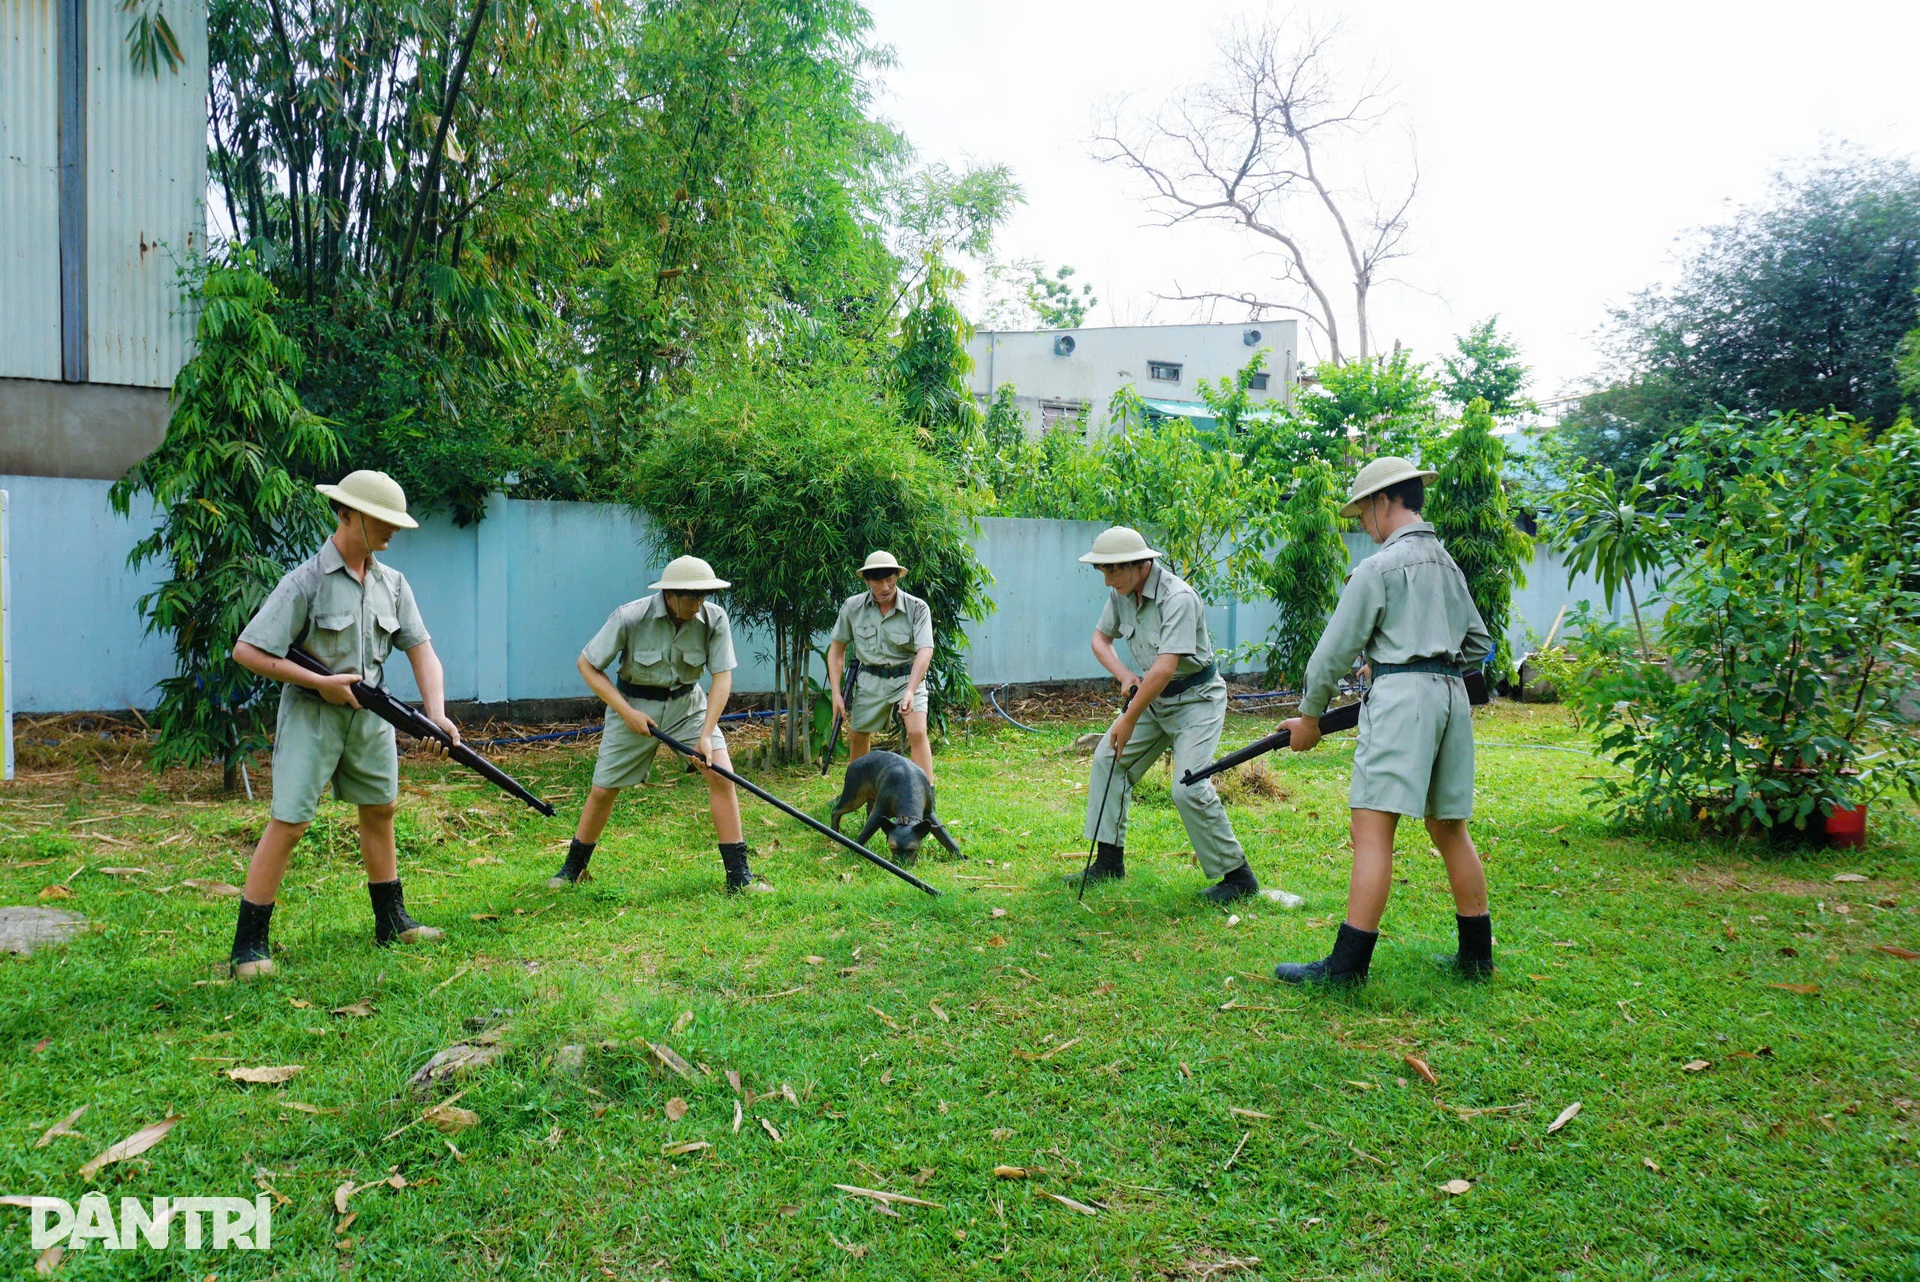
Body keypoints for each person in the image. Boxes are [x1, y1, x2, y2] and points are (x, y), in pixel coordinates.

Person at [1271, 457, 1494, 986]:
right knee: (1449, 827)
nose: (1363, 525)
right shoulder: (1447, 564)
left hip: (1401, 704)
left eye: (1363, 511)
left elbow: (1331, 653)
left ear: (1384, 502)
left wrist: (1309, 717)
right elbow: (1479, 644)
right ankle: (1477, 958)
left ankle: (1347, 968)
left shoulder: (1378, 570)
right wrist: (1419, 659)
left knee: (1371, 831)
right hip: (1451, 698)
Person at [227, 470, 458, 979]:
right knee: (290, 821)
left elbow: (422, 650)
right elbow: (248, 649)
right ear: (349, 515)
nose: (393, 531)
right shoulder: (305, 581)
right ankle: (249, 944)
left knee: (381, 810)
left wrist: (436, 713)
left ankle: (392, 920)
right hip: (313, 715)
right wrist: (319, 684)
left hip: (371, 716)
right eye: (384, 520)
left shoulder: (393, 584)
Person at [547, 555, 770, 894]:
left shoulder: (714, 619)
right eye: (693, 597)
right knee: (604, 789)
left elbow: (722, 678)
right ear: (670, 595)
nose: (699, 604)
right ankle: (571, 869)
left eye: (704, 596)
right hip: (633, 706)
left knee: (723, 776)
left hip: (687, 705)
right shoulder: (630, 617)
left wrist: (706, 735)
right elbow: (587, 665)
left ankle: (739, 878)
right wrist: (626, 712)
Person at [1070, 526, 1268, 903]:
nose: (1107, 580)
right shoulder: (1120, 593)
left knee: (1188, 786)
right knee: (1108, 759)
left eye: (1112, 571)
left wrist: (1127, 718)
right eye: (1104, 572)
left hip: (1197, 700)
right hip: (1153, 698)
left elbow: (1164, 667)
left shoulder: (1179, 598)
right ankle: (1109, 861)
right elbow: (1100, 640)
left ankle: (1239, 877)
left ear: (1140, 564)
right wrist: (1124, 674)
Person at [825, 551, 936, 781]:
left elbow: (925, 651)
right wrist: (836, 693)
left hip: (908, 676)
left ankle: (926, 800)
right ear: (867, 580)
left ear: (897, 575)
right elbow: (836, 650)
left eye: (890, 580)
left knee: (917, 732)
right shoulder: (852, 607)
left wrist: (909, 691)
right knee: (858, 735)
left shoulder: (917, 608)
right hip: (870, 679)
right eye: (878, 581)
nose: (885, 587)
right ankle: (858, 792)